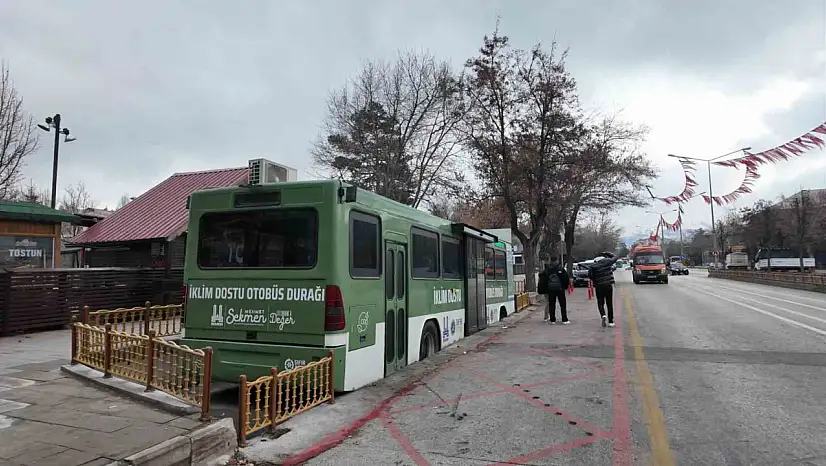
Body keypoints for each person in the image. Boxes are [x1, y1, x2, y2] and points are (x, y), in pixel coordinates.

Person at [587, 251, 619, 328]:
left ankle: (603, 315)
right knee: (609, 303)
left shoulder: (593, 266)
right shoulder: (608, 262)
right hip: (608, 285)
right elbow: (615, 257)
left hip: (599, 286)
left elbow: (590, 276)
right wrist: (608, 253)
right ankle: (611, 321)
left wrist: (595, 280)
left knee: (600, 303)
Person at [538, 256, 570, 324]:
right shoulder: (560, 269)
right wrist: (565, 287)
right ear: (557, 261)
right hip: (560, 289)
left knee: (552, 304)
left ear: (551, 261)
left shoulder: (547, 269)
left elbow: (543, 279)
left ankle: (552, 320)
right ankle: (564, 319)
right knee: (562, 304)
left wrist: (545, 289)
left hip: (550, 290)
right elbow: (566, 278)